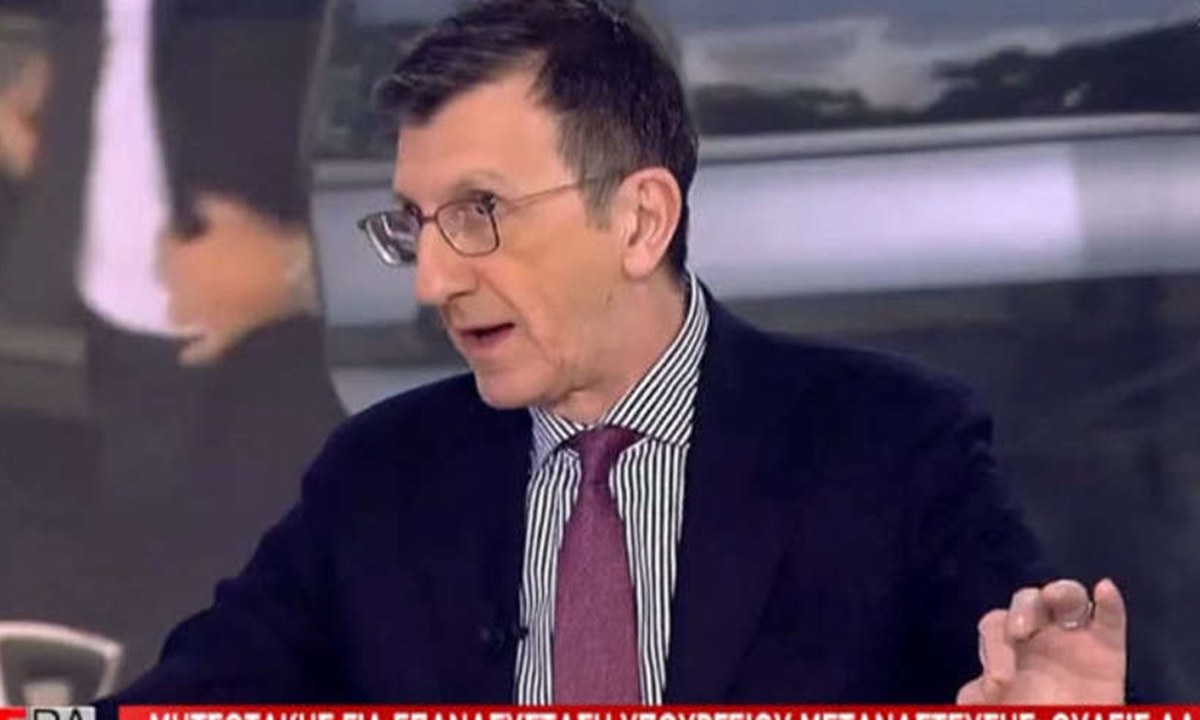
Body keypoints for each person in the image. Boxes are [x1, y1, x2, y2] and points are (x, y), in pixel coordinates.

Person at [103, 0, 1126, 706]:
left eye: (479, 211)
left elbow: (1032, 681)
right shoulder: (378, 479)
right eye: (415, 223)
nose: (433, 279)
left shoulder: (893, 449)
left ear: (640, 222)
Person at [0, 0, 345, 677]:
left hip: (299, 361)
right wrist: (71, 62)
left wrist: (304, 268)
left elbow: (523, 122)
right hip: (125, 341)